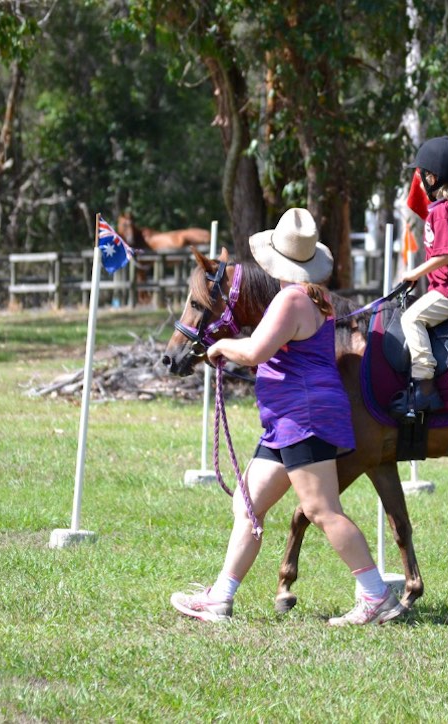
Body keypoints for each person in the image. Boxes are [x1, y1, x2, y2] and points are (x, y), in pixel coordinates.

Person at [170, 207, 406, 626]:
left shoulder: (291, 300)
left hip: (303, 416)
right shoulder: (312, 297)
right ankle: (220, 598)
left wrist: (220, 347)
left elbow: (254, 351)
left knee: (322, 510)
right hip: (287, 419)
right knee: (248, 505)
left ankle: (376, 596)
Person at [393, 136, 448, 414]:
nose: (418, 183)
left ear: (432, 178)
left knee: (411, 318)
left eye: (420, 176)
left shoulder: (442, 212)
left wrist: (413, 273)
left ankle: (425, 387)